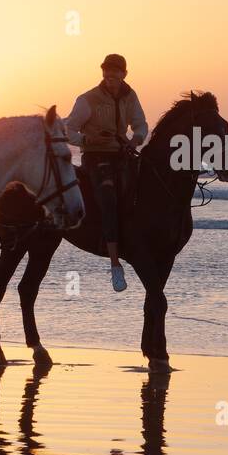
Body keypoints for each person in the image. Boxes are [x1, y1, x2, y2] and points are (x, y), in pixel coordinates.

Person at [65, 54, 148, 292]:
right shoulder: (87, 99)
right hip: (95, 156)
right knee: (109, 198)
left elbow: (140, 124)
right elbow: (68, 129)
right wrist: (87, 138)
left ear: (124, 74)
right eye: (106, 73)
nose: (110, 78)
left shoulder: (130, 96)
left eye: (114, 73)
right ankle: (114, 264)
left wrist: (136, 140)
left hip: (122, 154)